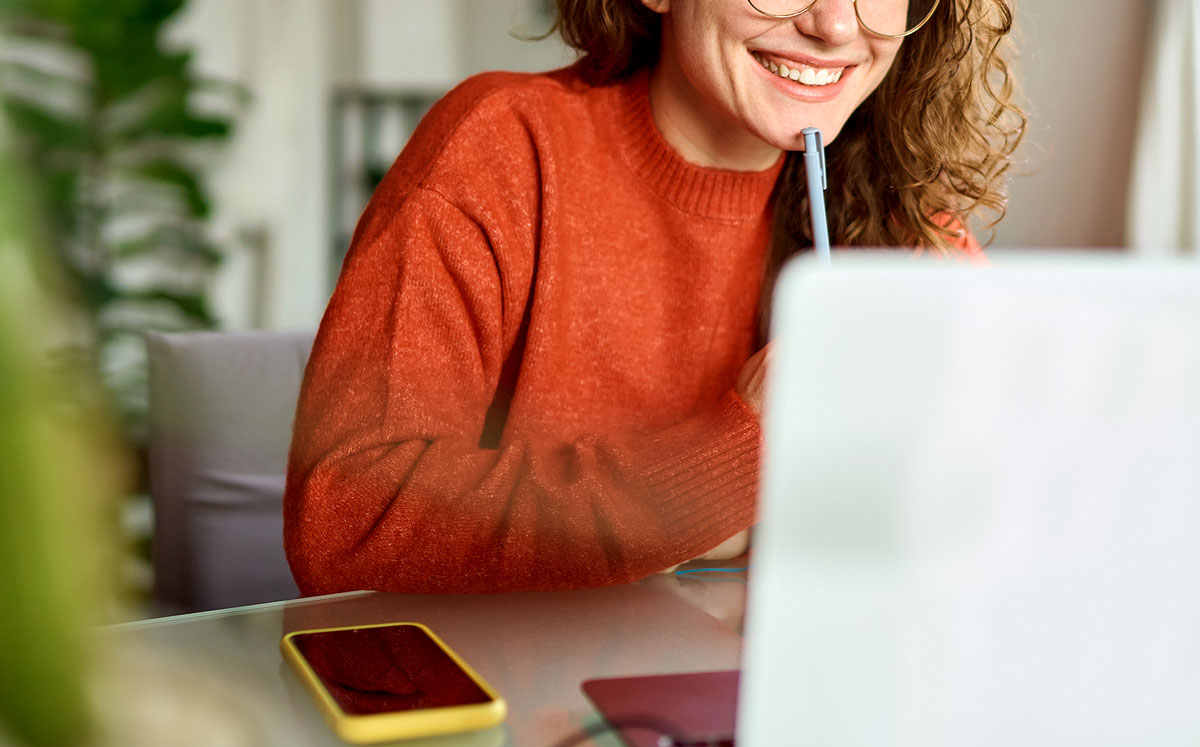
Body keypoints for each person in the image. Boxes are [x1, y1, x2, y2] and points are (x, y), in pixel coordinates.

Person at [283, 0, 1025, 594]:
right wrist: (736, 464)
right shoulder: (502, 150)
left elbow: (1010, 508)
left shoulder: (902, 220)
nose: (834, 24)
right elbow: (347, 520)